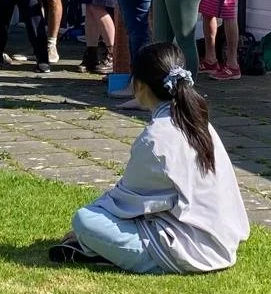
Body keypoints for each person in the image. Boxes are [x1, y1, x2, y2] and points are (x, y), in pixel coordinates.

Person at [53, 42, 250, 273]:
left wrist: (84, 230)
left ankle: (100, 251)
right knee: (107, 217)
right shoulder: (199, 121)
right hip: (222, 242)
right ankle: (98, 249)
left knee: (85, 221)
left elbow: (124, 200)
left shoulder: (155, 138)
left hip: (188, 249)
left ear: (138, 86)